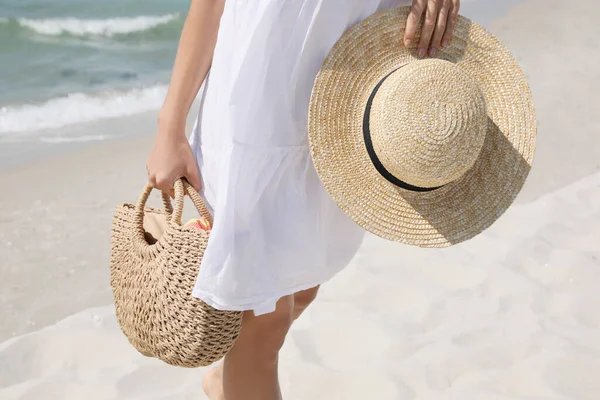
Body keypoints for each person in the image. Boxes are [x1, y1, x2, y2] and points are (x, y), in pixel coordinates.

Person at [146, 1, 460, 399]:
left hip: (348, 88)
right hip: (263, 107)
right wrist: (169, 126)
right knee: (264, 317)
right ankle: (234, 380)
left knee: (303, 283)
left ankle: (226, 381)